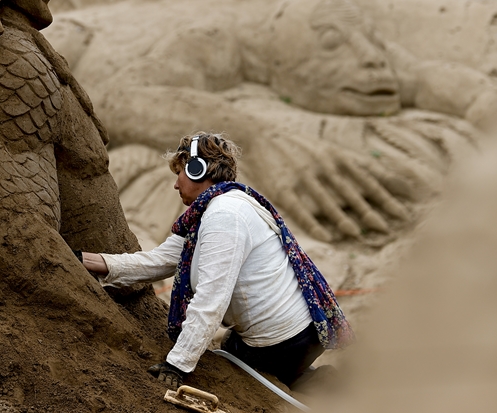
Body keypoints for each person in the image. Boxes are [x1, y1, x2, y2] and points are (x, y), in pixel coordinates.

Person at [81, 132, 354, 389]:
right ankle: (311, 380)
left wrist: (177, 364)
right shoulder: (211, 210)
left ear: (197, 170)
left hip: (284, 342)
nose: (175, 184)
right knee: (233, 344)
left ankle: (315, 383)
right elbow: (161, 260)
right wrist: (91, 262)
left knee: (229, 353)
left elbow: (211, 298)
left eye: (180, 174)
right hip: (296, 335)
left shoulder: (225, 216)